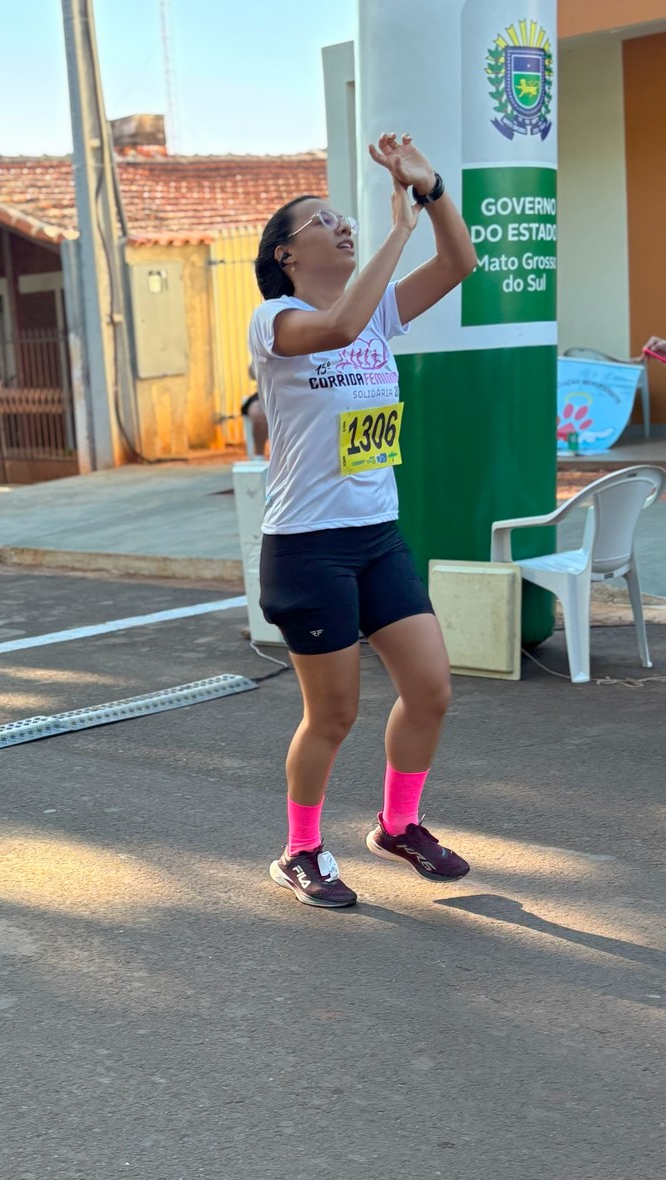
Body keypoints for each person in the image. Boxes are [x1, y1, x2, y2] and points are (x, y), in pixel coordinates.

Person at [250, 132, 478, 911]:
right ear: (285, 253)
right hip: (306, 549)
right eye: (322, 221)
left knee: (430, 689)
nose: (341, 225)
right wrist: (398, 228)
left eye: (347, 217)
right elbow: (340, 330)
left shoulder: (377, 309)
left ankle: (397, 824)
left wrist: (432, 190)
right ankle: (301, 849)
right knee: (335, 713)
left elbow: (459, 266)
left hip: (376, 534)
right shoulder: (274, 322)